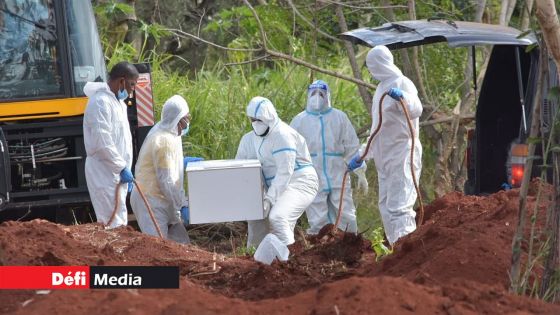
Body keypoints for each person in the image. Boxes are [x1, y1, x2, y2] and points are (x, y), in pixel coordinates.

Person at [348, 45, 423, 246]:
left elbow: (416, 109)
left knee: (400, 207)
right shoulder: (381, 87)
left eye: (371, 65)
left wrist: (403, 98)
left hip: (402, 154)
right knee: (386, 207)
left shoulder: (402, 83)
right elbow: (378, 130)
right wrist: (363, 155)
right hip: (385, 157)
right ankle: (394, 251)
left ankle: (405, 251)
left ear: (380, 64)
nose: (371, 70)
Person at [290, 80, 368, 235]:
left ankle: (351, 244)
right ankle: (320, 251)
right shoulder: (299, 121)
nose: (317, 97)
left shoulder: (339, 117)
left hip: (338, 172)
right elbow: (291, 151)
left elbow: (352, 146)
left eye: (321, 93)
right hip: (312, 173)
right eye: (313, 93)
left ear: (328, 96)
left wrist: (361, 171)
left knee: (346, 213)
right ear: (308, 95)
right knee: (317, 217)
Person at [242, 96, 319, 247]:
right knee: (261, 220)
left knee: (279, 218)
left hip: (299, 182)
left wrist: (270, 199)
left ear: (268, 118)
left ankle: (289, 261)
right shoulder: (250, 139)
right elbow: (242, 169)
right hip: (277, 186)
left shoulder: (282, 135)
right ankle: (258, 260)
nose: (255, 123)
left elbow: (285, 171)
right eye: (252, 119)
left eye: (259, 120)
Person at [130, 95, 199, 244]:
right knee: (158, 249)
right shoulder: (164, 141)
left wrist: (181, 164)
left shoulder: (170, 132)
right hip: (150, 201)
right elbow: (166, 181)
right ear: (178, 120)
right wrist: (181, 205)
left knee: (182, 245)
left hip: (163, 200)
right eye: (186, 119)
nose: (188, 123)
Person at [83, 61, 139, 228]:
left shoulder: (118, 103)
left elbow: (121, 140)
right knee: (112, 223)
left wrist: (124, 168)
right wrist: (121, 167)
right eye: (131, 84)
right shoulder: (100, 102)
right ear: (121, 81)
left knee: (119, 220)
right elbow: (103, 141)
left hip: (116, 173)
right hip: (104, 172)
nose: (132, 90)